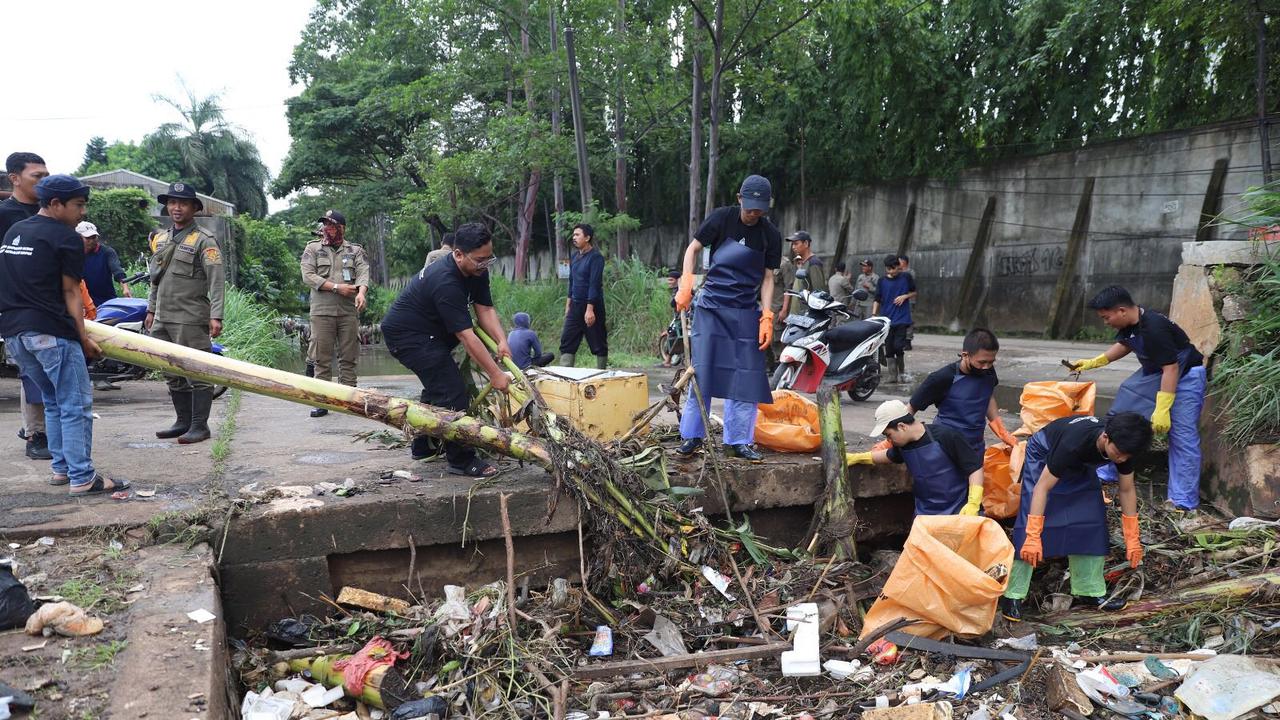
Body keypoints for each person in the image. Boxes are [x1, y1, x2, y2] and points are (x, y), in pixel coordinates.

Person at [0, 174, 128, 494]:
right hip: (52, 332)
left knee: (53, 401)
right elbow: (72, 292)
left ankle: (61, 469)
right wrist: (83, 339)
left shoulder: (16, 231)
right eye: (78, 205)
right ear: (55, 204)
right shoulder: (65, 237)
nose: (82, 213)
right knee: (75, 404)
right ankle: (82, 476)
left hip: (15, 334)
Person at [380, 223, 511, 476]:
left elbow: (485, 308)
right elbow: (466, 336)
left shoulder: (477, 270)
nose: (485, 265)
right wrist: (495, 374)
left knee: (437, 389)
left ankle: (422, 446)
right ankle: (461, 460)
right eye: (480, 260)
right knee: (452, 392)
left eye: (489, 259)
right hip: (409, 337)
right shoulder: (445, 281)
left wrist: (501, 340)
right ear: (458, 254)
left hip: (431, 334)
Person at [999, 413, 1152, 621]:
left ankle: (1089, 590)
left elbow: (1126, 489)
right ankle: (1013, 595)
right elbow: (1042, 488)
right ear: (1105, 437)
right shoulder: (1073, 443)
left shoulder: (1124, 447)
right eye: (1119, 453)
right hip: (1045, 454)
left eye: (1127, 456)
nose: (1122, 459)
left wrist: (1132, 537)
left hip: (1080, 463)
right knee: (1030, 520)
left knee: (1091, 521)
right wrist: (1033, 535)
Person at [1070, 286, 1206, 511]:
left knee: (1182, 435)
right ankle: (1110, 468)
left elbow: (1171, 368)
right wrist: (1095, 362)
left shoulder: (1154, 328)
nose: (1105, 322)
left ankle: (1182, 500)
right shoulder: (1131, 324)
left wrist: (1162, 409)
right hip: (1156, 373)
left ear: (1122, 311)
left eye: (1106, 317)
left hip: (1185, 376)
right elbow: (1126, 344)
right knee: (1122, 416)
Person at [674, 174, 781, 461]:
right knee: (703, 371)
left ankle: (738, 441)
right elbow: (693, 248)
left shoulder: (770, 234)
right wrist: (686, 284)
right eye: (750, 208)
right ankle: (693, 436)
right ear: (739, 199)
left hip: (746, 310)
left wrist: (767, 315)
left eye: (759, 210)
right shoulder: (722, 218)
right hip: (712, 307)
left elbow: (768, 278)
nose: (754, 214)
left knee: (745, 376)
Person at [145, 182, 225, 444]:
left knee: (198, 371)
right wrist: (151, 309)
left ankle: (200, 426)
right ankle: (183, 422)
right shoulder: (162, 239)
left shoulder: (204, 240)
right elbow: (155, 278)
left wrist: (216, 315)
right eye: (172, 202)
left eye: (182, 203)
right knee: (169, 369)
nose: (176, 208)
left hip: (190, 318)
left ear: (194, 208)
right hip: (163, 317)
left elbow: (216, 280)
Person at [847, 400, 984, 516]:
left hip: (959, 510)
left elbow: (974, 468)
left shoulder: (946, 436)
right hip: (925, 513)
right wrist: (858, 458)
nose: (888, 440)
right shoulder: (903, 446)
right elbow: (888, 455)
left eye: (888, 435)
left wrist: (973, 503)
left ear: (902, 426)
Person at [1, 152, 51, 460]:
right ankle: (35, 434)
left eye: (47, 176)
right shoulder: (5, 215)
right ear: (15, 178)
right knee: (32, 372)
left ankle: (44, 430)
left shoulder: (53, 211)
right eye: (37, 176)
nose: (43, 181)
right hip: (19, 307)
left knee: (52, 371)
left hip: (53, 304)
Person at [300, 209, 370, 418]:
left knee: (348, 357)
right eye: (325, 225)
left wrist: (362, 293)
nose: (327, 228)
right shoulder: (313, 248)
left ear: (342, 228)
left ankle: (348, 401)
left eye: (332, 225)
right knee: (321, 358)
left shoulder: (355, 250)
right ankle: (321, 402)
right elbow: (308, 275)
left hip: (348, 311)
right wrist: (336, 287)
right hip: (322, 312)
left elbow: (363, 273)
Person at [907, 328, 1018, 456]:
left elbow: (988, 396)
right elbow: (912, 406)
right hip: (946, 446)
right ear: (965, 355)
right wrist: (895, 438)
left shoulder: (988, 371)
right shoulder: (942, 377)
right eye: (982, 362)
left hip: (975, 445)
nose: (986, 367)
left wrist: (1001, 431)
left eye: (991, 362)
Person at [558, 223, 608, 369]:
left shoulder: (596, 258)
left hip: (592, 306)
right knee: (567, 340)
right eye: (573, 235)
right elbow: (572, 281)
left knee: (598, 341)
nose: (574, 237)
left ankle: (601, 372)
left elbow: (594, 284)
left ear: (587, 238)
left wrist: (590, 309)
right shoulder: (574, 257)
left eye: (577, 235)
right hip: (575, 306)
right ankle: (565, 374)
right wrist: (568, 305)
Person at [872, 254, 916, 384]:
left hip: (902, 318)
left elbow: (914, 292)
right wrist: (874, 314)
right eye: (888, 269)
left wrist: (904, 296)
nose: (891, 271)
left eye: (893, 268)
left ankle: (901, 373)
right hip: (887, 319)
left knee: (898, 346)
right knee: (889, 348)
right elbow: (877, 299)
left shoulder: (906, 277)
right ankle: (892, 376)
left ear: (898, 266)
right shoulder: (882, 281)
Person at [77, 221, 132, 307]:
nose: (91, 241)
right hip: (82, 303)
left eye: (94, 237)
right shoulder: (73, 254)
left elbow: (117, 271)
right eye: (87, 238)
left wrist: (125, 288)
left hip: (106, 302)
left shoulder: (107, 252)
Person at [898, 254, 916, 349]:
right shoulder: (898, 272)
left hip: (909, 299)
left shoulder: (910, 272)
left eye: (899, 261)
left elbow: (910, 286)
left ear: (904, 262)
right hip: (900, 300)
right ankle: (901, 339)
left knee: (909, 319)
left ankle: (908, 340)